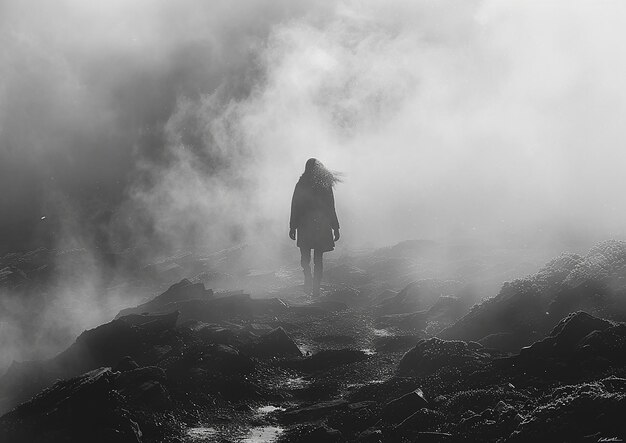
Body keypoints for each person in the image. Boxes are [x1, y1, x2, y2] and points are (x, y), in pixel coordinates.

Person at [289, 158, 341, 296]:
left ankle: (309, 280)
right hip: (320, 225)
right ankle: (315, 288)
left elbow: (295, 206)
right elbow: (331, 207)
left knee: (306, 257)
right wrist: (335, 227)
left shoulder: (301, 184)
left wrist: (292, 227)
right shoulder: (324, 184)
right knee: (318, 259)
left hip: (306, 225)